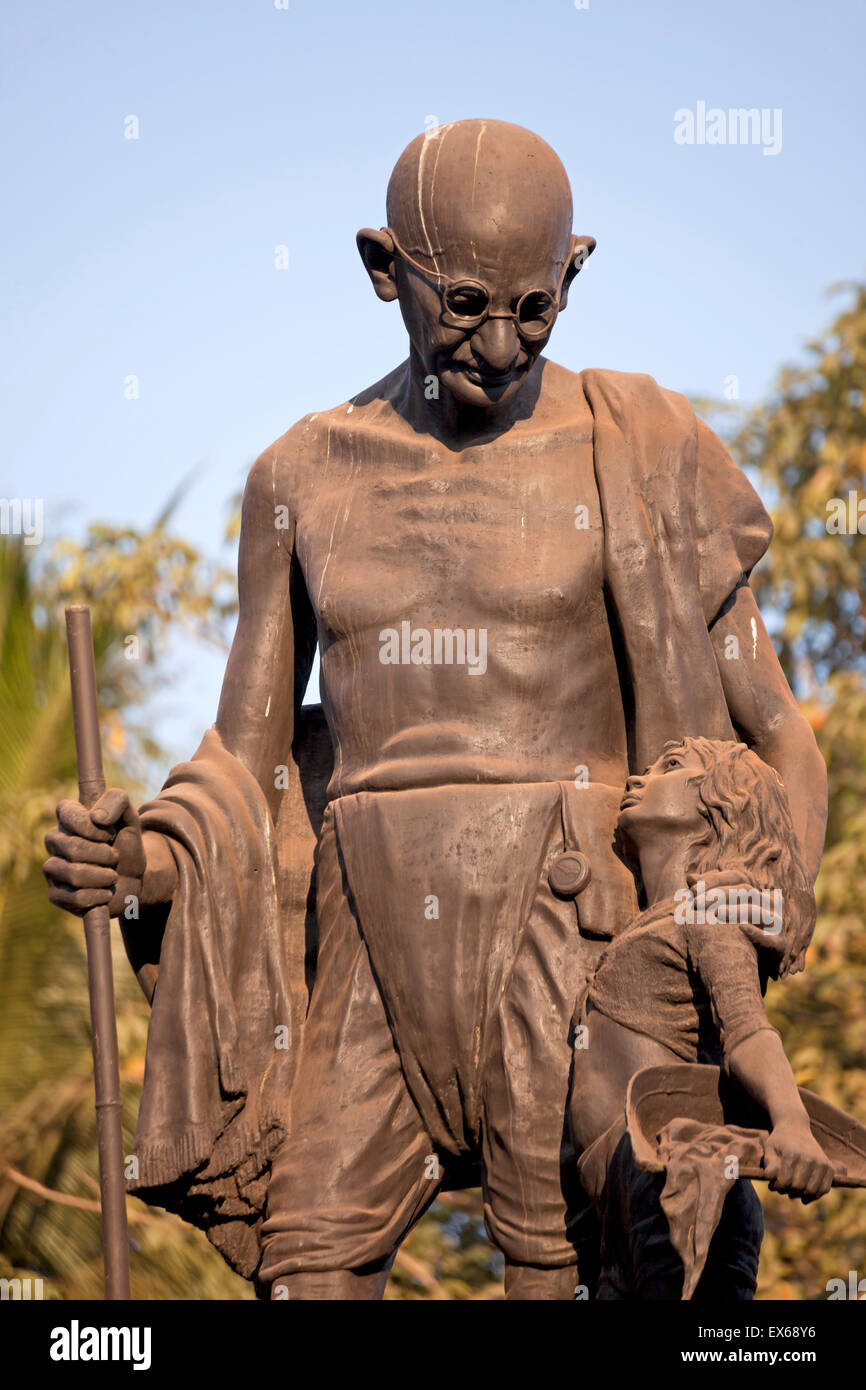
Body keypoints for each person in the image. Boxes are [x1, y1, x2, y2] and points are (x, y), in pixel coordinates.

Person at [43, 120, 827, 1300]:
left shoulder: (645, 450)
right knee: (307, 1262)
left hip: (577, 911)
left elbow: (776, 740)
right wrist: (142, 864)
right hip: (367, 922)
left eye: (534, 305)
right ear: (381, 268)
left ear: (572, 274)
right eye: (461, 303)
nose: (500, 345)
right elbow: (239, 765)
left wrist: (735, 933)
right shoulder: (300, 476)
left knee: (561, 1259)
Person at [571, 736, 834, 1299]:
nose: (639, 778)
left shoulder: (712, 907)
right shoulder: (663, 919)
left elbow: (747, 1028)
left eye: (670, 767)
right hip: (629, 1205)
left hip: (686, 1196)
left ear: (723, 803)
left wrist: (791, 1121)